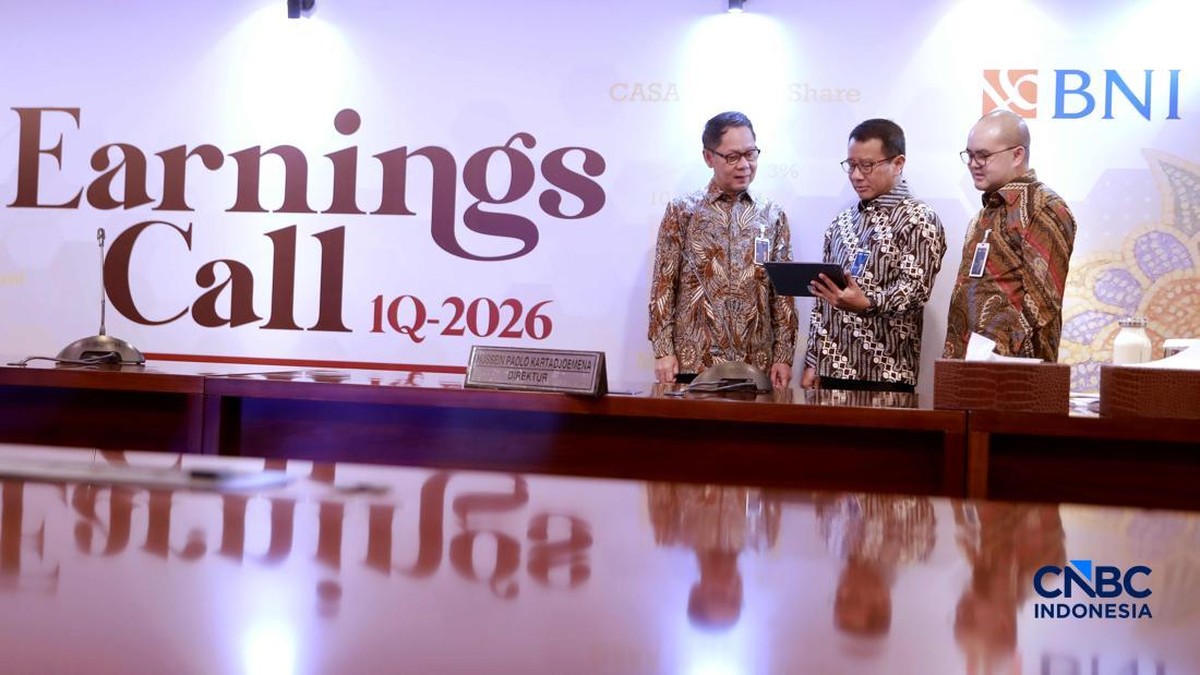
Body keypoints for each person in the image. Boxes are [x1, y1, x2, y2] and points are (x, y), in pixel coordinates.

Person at [648, 111, 798, 389]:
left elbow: (783, 293)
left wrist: (784, 356)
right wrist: (663, 350)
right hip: (693, 363)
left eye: (750, 154)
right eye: (732, 157)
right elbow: (663, 286)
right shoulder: (682, 212)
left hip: (757, 365)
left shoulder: (772, 215)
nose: (744, 165)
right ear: (709, 157)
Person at [803, 119, 946, 393]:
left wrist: (868, 303)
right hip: (831, 369)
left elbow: (915, 290)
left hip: (886, 374)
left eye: (867, 165)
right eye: (851, 165)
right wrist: (813, 359)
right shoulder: (841, 222)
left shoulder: (919, 219)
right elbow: (823, 298)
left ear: (898, 163)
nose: (856, 175)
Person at [944, 110, 1077, 362]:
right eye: (970, 155)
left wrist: (999, 358)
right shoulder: (984, 214)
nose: (973, 163)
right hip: (968, 365)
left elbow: (1043, 303)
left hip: (1013, 371)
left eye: (983, 155)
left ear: (1017, 155)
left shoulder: (1044, 207)